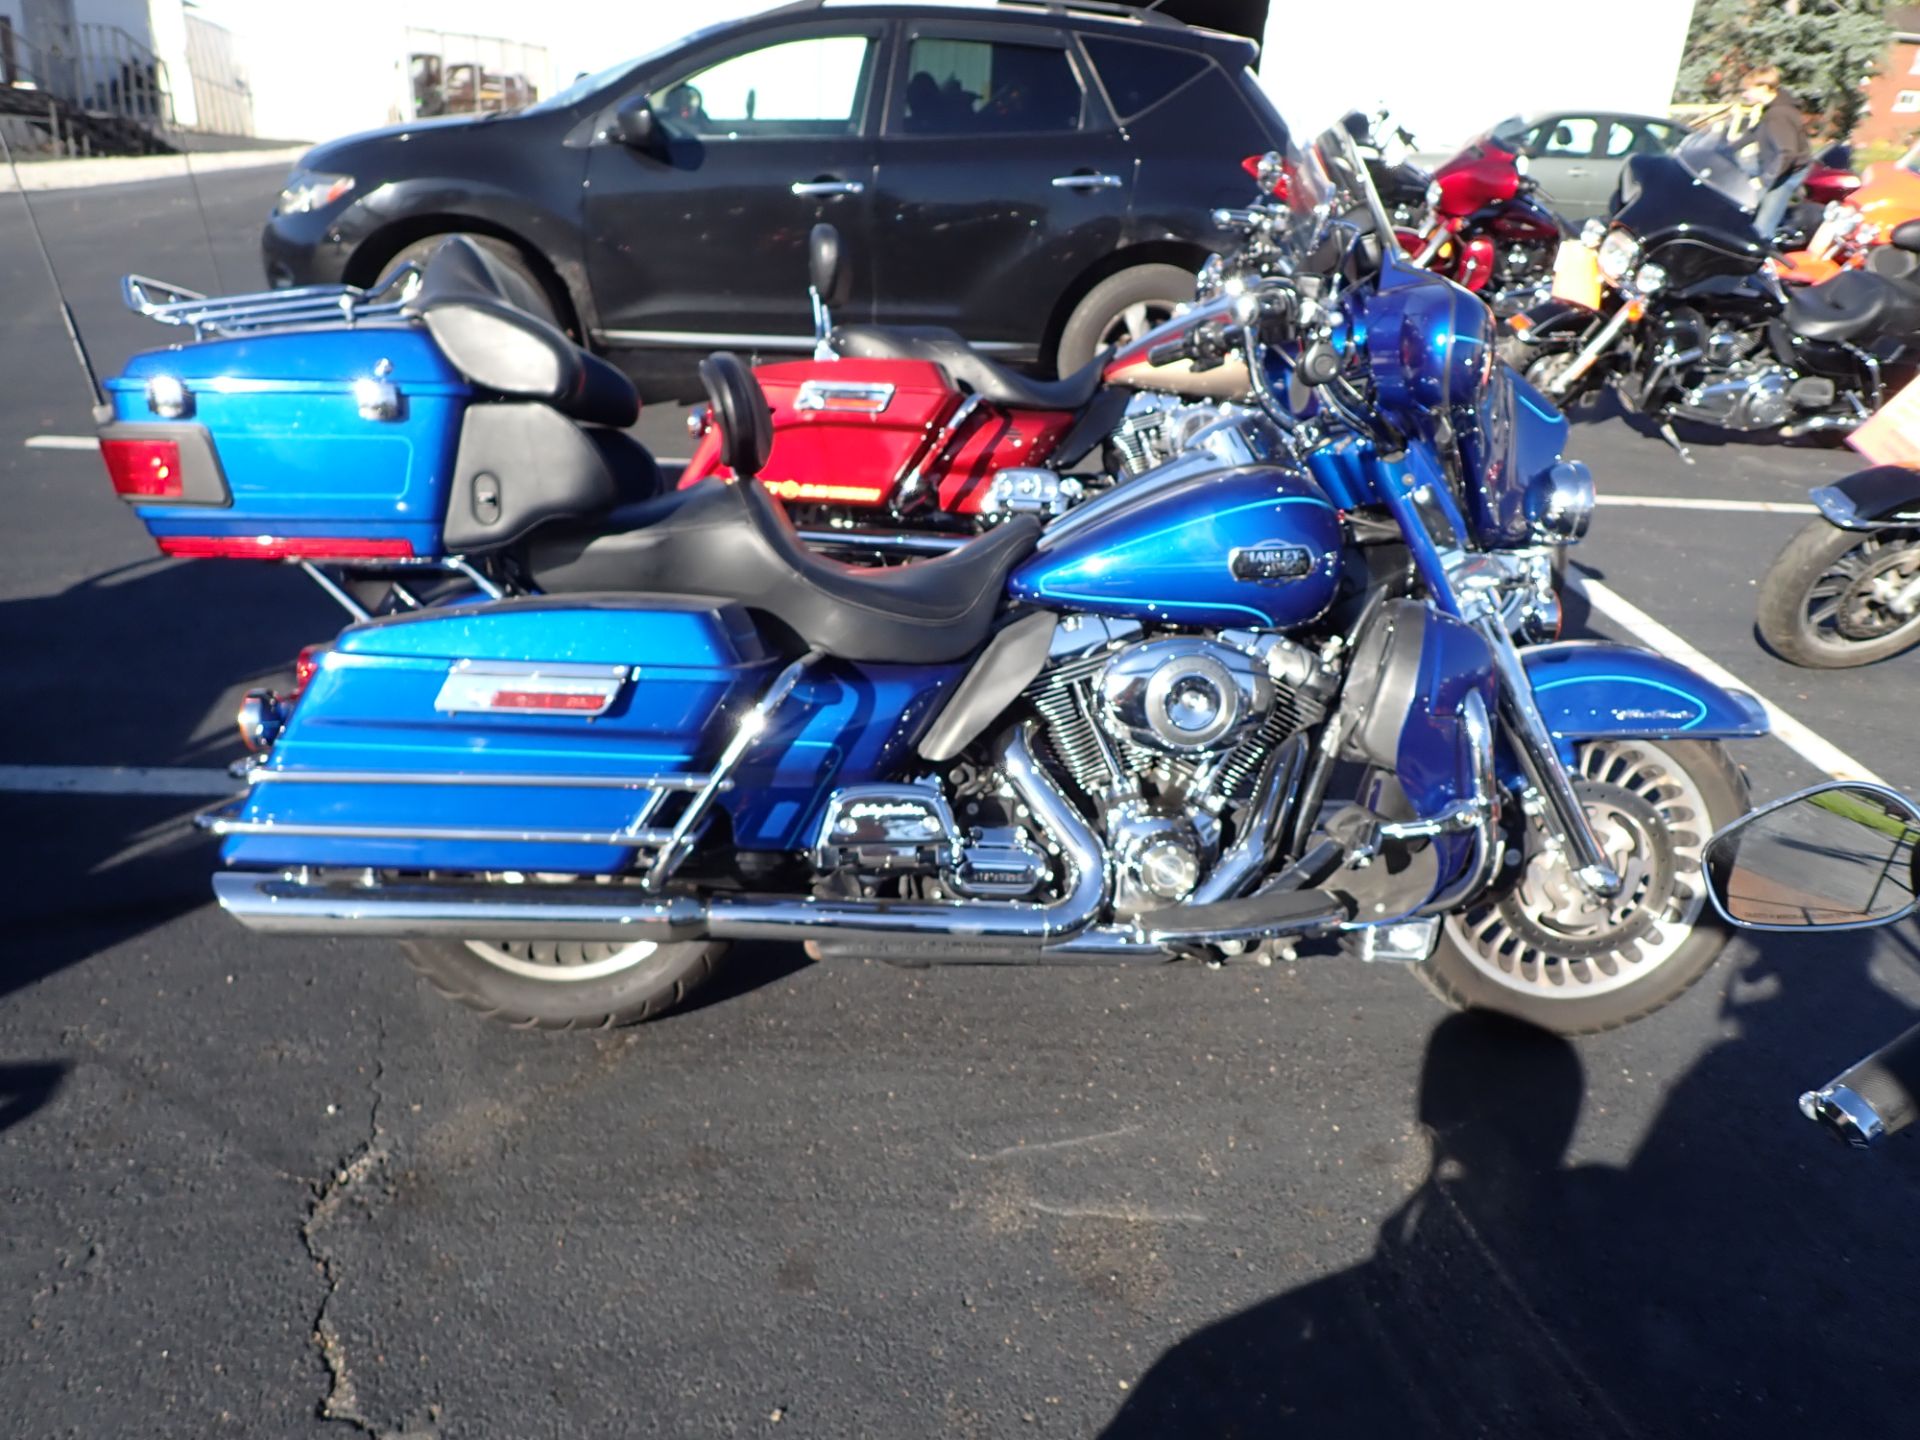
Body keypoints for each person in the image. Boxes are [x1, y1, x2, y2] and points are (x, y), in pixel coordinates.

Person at [1735, 65, 1811, 241]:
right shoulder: (1771, 109)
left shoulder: (1779, 114)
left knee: (1762, 228)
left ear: (1764, 88)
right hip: (1776, 169)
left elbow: (1787, 153)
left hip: (1785, 174)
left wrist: (1763, 181)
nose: (1745, 94)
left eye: (1748, 90)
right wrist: (1728, 147)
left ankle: (1759, 260)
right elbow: (1753, 134)